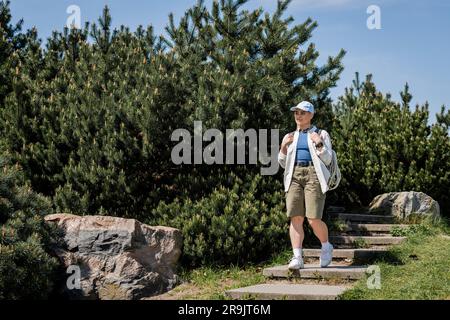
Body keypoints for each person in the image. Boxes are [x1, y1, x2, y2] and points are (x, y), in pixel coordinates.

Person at [278, 101, 334, 269]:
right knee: (295, 217)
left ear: (311, 115)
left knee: (313, 218)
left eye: (302, 112)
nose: (298, 115)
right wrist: (282, 147)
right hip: (293, 175)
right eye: (296, 112)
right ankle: (297, 257)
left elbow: (328, 159)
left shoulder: (321, 133)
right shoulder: (290, 136)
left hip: (313, 175)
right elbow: (282, 163)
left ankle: (326, 247)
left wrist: (318, 143)